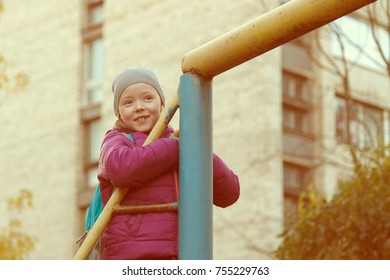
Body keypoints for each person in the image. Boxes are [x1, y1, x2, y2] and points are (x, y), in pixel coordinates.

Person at [98, 66, 240, 260]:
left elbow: (229, 193)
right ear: (119, 113)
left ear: (162, 104)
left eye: (148, 98)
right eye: (128, 102)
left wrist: (198, 149)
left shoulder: (180, 142)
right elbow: (121, 168)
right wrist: (174, 148)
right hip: (132, 258)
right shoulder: (117, 140)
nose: (139, 106)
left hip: (179, 256)